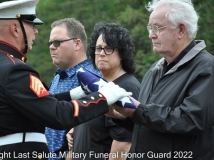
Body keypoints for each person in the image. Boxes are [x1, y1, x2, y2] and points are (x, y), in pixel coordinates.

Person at [0, 0, 132, 159]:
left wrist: (71, 95)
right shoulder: (14, 69)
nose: (35, 31)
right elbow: (58, 115)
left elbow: (31, 103)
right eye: (31, 25)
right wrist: (103, 97)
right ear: (15, 28)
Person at [107, 0, 214, 159]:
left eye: (158, 27)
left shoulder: (207, 67)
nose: (151, 34)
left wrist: (137, 110)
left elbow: (191, 120)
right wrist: (122, 116)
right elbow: (148, 124)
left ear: (181, 30)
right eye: (150, 27)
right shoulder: (154, 70)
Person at [66, 22, 140, 160]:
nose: (101, 53)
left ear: (122, 53)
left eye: (108, 48)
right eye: (98, 48)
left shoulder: (126, 88)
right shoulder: (95, 85)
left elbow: (123, 145)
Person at [45, 18, 100, 160]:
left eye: (57, 42)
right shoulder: (57, 77)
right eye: (50, 43)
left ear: (77, 44)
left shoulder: (92, 77)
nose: (51, 47)